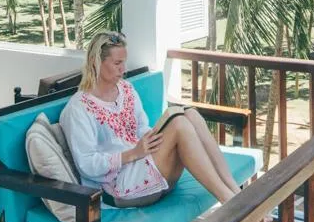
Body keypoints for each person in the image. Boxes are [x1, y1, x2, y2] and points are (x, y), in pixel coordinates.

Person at [60, 31, 244, 208]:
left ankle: (237, 193)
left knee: (190, 114)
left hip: (147, 167)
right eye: (117, 63)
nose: (123, 69)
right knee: (179, 123)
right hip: (119, 187)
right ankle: (232, 204)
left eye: (124, 62)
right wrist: (133, 153)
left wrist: (154, 139)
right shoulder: (78, 108)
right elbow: (86, 165)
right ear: (96, 62)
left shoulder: (126, 89)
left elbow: (141, 127)